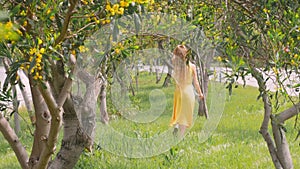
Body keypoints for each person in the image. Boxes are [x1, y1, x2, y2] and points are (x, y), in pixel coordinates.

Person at [170, 44, 204, 137]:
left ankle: (176, 125)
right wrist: (200, 93)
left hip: (178, 92)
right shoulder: (192, 66)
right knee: (185, 114)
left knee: (178, 112)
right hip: (188, 92)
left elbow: (174, 59)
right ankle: (181, 136)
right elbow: (196, 82)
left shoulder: (176, 66)